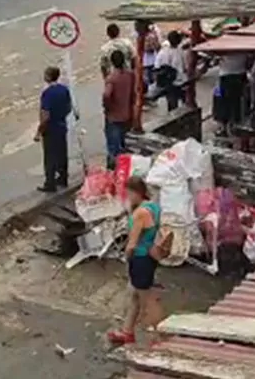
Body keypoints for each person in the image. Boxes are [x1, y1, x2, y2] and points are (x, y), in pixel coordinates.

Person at [107, 176, 162, 346]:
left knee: (146, 299)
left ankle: (158, 335)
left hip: (140, 259)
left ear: (135, 192)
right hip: (149, 256)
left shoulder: (140, 213)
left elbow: (132, 242)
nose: (128, 197)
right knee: (134, 296)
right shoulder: (153, 207)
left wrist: (126, 256)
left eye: (129, 193)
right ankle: (127, 331)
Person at [37, 66, 75, 191]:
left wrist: (39, 131)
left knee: (49, 157)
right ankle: (63, 178)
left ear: (48, 76)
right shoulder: (64, 90)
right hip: (61, 126)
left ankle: (50, 183)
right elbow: (69, 107)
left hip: (50, 129)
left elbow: (45, 115)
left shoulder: (47, 94)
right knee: (62, 154)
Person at [103, 49, 135, 170]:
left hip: (114, 116)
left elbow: (106, 95)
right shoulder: (130, 75)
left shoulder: (111, 78)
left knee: (114, 147)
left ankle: (114, 171)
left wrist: (108, 107)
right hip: (127, 114)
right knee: (125, 143)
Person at [215, 51, 250, 137]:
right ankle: (234, 126)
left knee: (221, 101)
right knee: (237, 102)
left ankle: (224, 127)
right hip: (240, 76)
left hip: (225, 77)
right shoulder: (243, 47)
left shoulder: (222, 47)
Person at [153, 31, 188, 111]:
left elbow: (157, 66)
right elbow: (185, 67)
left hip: (168, 82)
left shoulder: (163, 52)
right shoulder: (181, 52)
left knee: (172, 104)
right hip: (179, 81)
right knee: (184, 101)